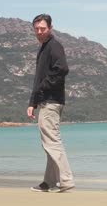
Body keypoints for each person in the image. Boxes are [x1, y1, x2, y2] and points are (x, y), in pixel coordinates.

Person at [27, 13, 75, 193]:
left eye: (43, 29)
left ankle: (67, 180)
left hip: (51, 101)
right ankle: (49, 182)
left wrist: (42, 88)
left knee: (52, 141)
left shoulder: (54, 46)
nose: (39, 32)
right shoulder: (43, 48)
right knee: (49, 143)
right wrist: (33, 101)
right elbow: (38, 79)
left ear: (50, 29)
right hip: (45, 101)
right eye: (37, 29)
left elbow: (62, 69)